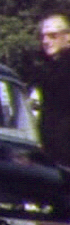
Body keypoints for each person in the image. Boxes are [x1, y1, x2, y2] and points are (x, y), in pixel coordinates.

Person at [37, 14, 70, 166]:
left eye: (52, 36)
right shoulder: (50, 67)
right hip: (53, 151)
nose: (45, 41)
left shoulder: (63, 68)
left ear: (67, 37)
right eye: (43, 37)